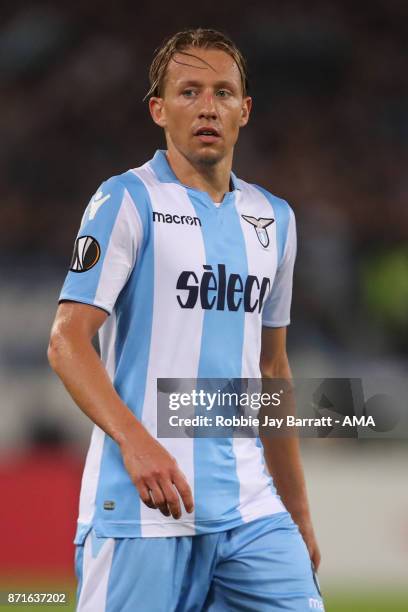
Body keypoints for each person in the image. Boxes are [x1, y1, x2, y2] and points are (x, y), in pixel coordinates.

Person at [48, 27, 324, 612]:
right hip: (144, 510)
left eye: (223, 93)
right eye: (188, 91)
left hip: (251, 511)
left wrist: (296, 512)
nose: (207, 106)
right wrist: (136, 442)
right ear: (158, 109)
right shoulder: (126, 201)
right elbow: (67, 342)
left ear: (244, 111)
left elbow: (272, 371)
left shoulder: (274, 220)